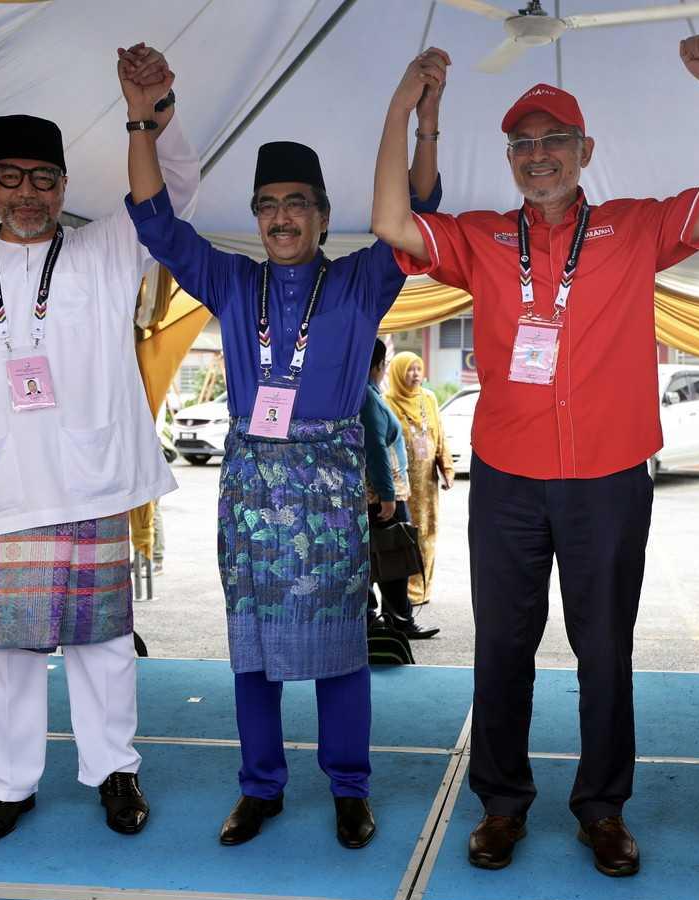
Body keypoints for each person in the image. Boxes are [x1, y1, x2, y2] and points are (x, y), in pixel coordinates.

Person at [372, 39, 699, 876]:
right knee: (502, 648)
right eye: (523, 144)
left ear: (585, 154)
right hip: (509, 476)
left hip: (611, 476)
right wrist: (405, 110)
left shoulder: (633, 226)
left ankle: (603, 809)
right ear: (510, 159)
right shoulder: (482, 236)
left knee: (605, 649)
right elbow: (392, 224)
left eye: (554, 141)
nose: (538, 156)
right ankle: (502, 805)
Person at [123, 57, 444, 850]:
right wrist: (140, 117)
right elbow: (156, 223)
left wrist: (417, 118)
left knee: (341, 651)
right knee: (253, 652)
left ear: (324, 216)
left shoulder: (364, 281)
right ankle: (260, 787)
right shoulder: (233, 283)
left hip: (331, 491)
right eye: (267, 205)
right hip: (251, 492)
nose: (281, 217)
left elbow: (420, 208)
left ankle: (349, 788)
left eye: (297, 203)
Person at [0, 44, 198, 846]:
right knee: (7, 650)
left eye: (44, 178)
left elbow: (175, 193)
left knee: (102, 641)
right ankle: (9, 784)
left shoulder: (106, 249)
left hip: (91, 479)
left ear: (64, 185)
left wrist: (154, 110)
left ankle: (115, 771)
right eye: (12, 177)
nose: (28, 193)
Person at [363, 340, 440, 640]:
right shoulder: (368, 399)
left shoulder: (367, 394)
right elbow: (376, 448)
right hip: (382, 495)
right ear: (378, 366)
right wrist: (387, 495)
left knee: (376, 555)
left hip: (381, 493)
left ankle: (382, 618)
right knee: (394, 555)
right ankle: (397, 619)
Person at [383, 350, 454, 609]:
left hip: (427, 483)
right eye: (409, 370)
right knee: (407, 535)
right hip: (402, 483)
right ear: (398, 372)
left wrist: (446, 468)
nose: (414, 375)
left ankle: (423, 588)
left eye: (418, 369)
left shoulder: (430, 399)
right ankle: (407, 592)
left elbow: (440, 436)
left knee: (428, 533)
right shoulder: (388, 401)